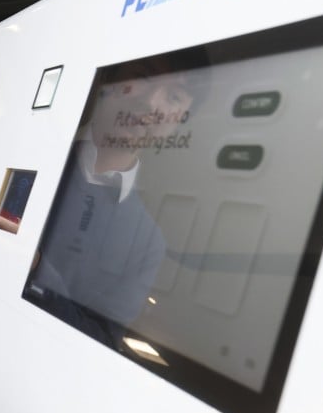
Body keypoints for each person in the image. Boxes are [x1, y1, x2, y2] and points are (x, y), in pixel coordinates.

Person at [25, 58, 201, 350]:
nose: (151, 103)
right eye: (143, 77)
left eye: (173, 97)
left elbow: (102, 340)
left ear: (177, 122)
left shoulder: (148, 242)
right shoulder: (32, 153)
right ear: (106, 82)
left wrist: (37, 269)